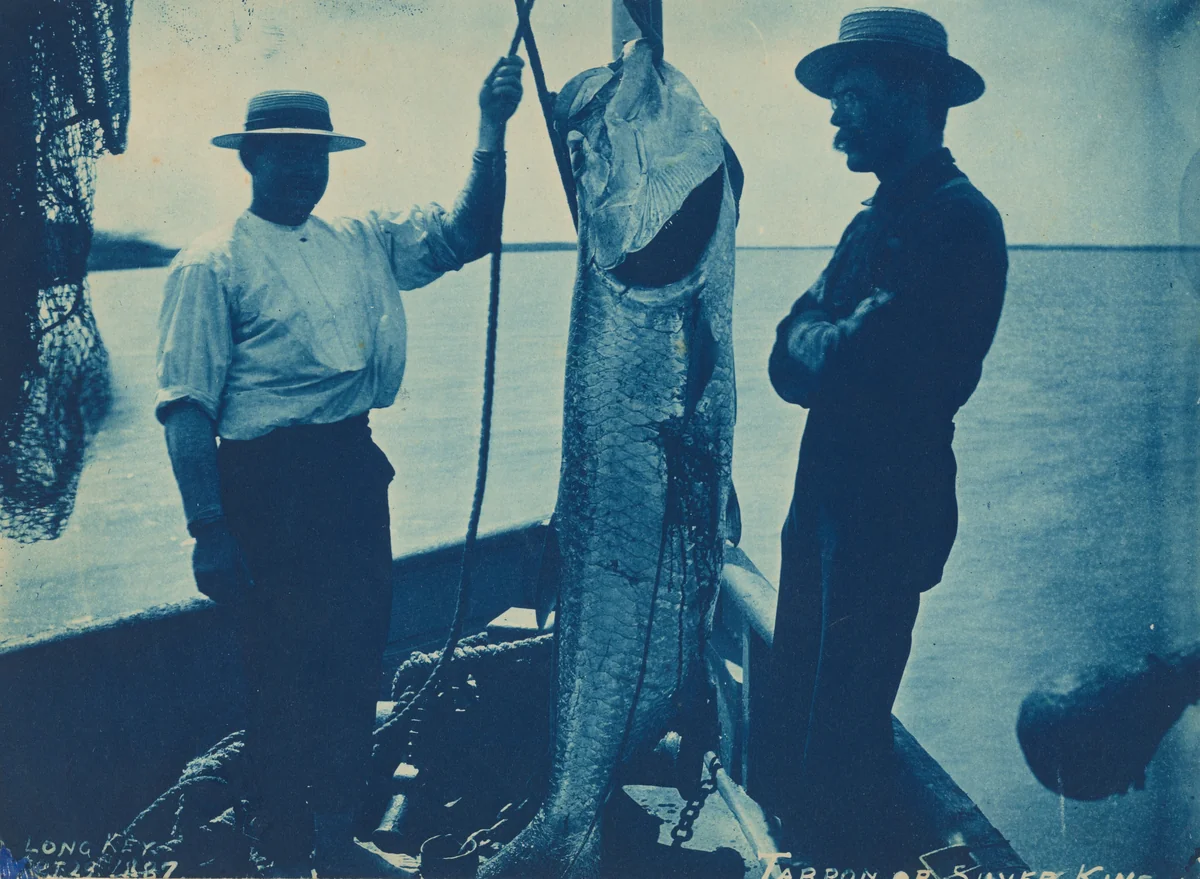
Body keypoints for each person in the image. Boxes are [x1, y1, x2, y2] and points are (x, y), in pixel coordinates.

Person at [154, 58, 523, 877]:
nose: (301, 169)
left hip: (352, 475)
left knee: (355, 660)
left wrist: (490, 127)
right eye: (282, 153)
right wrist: (207, 528)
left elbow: (469, 234)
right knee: (281, 679)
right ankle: (285, 852)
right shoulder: (211, 262)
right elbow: (186, 409)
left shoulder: (360, 239)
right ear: (247, 159)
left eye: (313, 154)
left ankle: (332, 832)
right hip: (262, 491)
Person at [760, 7, 1007, 861]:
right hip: (821, 511)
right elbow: (786, 357)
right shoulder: (875, 222)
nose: (834, 117)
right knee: (794, 718)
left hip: (883, 520)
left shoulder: (961, 223)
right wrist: (832, 336)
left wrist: (828, 338)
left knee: (843, 739)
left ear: (913, 94)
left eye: (853, 96)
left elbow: (867, 362)